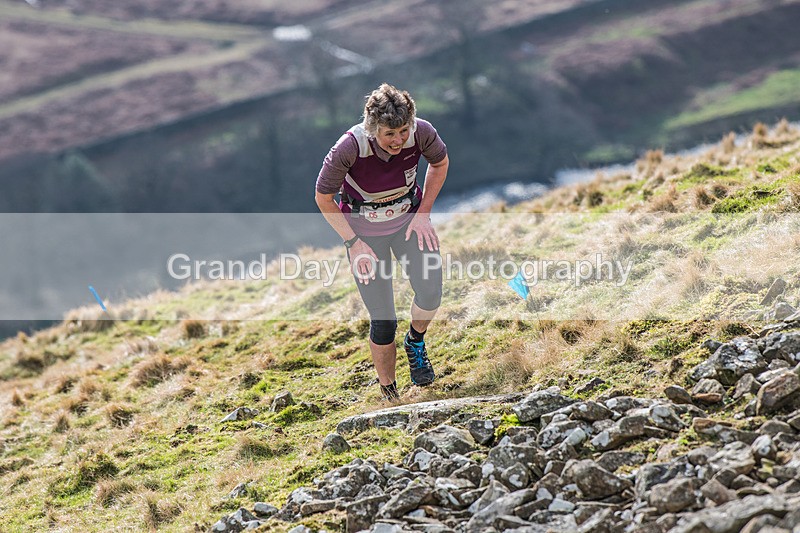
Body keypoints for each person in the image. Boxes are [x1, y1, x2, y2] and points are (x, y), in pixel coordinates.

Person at [315, 83, 449, 401]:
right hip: (365, 236)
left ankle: (415, 341)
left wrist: (424, 213)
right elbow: (323, 197)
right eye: (389, 134)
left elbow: (440, 164)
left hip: (408, 224)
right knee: (384, 319)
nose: (398, 140)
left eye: (403, 131)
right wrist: (353, 243)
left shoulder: (422, 133)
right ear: (373, 128)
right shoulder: (349, 147)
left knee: (431, 293)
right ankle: (391, 395)